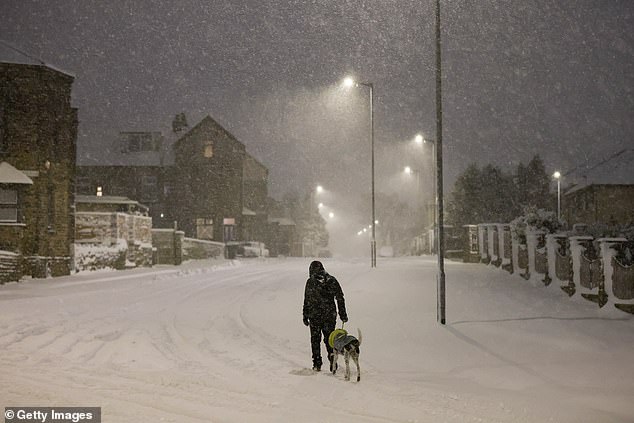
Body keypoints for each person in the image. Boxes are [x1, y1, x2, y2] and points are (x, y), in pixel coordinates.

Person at [302, 260, 348, 372]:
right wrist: (343, 314)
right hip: (329, 316)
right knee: (329, 340)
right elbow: (340, 297)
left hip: (315, 316)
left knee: (315, 340)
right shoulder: (331, 280)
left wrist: (305, 314)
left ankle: (317, 363)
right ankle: (333, 361)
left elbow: (307, 300)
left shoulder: (310, 282)